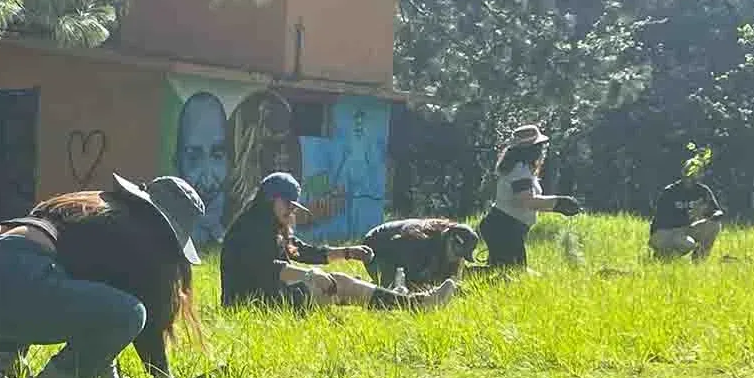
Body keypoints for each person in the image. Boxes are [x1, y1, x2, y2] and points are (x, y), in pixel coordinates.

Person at [0, 173, 203, 378]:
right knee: (133, 313)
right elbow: (139, 325)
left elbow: (96, 308)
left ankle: (4, 375)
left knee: (32, 276)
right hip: (14, 279)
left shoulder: (92, 208)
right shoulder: (137, 235)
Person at [222, 172, 459, 310]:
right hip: (248, 304)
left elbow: (301, 251)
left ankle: (406, 301)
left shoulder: (271, 226)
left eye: (294, 206)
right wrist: (310, 275)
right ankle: (414, 304)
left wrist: (347, 252)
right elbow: (268, 268)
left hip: (268, 296)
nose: (292, 210)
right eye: (288, 204)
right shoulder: (248, 230)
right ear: (269, 199)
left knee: (344, 283)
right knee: (337, 286)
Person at [476, 124, 582, 268]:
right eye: (540, 146)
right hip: (504, 228)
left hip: (503, 226)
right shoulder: (519, 170)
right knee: (514, 273)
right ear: (532, 149)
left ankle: (464, 275)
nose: (543, 150)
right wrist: (559, 203)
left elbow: (528, 202)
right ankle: (462, 275)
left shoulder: (520, 168)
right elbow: (527, 201)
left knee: (505, 271)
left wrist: (557, 205)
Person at [360, 218, 480, 288]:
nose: (456, 258)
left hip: (397, 246)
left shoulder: (442, 243)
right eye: (456, 253)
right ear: (450, 239)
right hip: (375, 245)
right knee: (400, 288)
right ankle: (366, 286)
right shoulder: (421, 242)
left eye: (461, 256)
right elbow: (412, 277)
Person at [649, 176, 724, 259]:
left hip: (685, 229)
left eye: (693, 175)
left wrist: (712, 215)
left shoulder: (703, 190)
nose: (690, 179)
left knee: (714, 225)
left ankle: (699, 261)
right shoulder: (670, 191)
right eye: (687, 176)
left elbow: (717, 211)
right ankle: (662, 256)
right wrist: (690, 214)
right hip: (664, 232)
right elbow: (663, 218)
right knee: (688, 244)